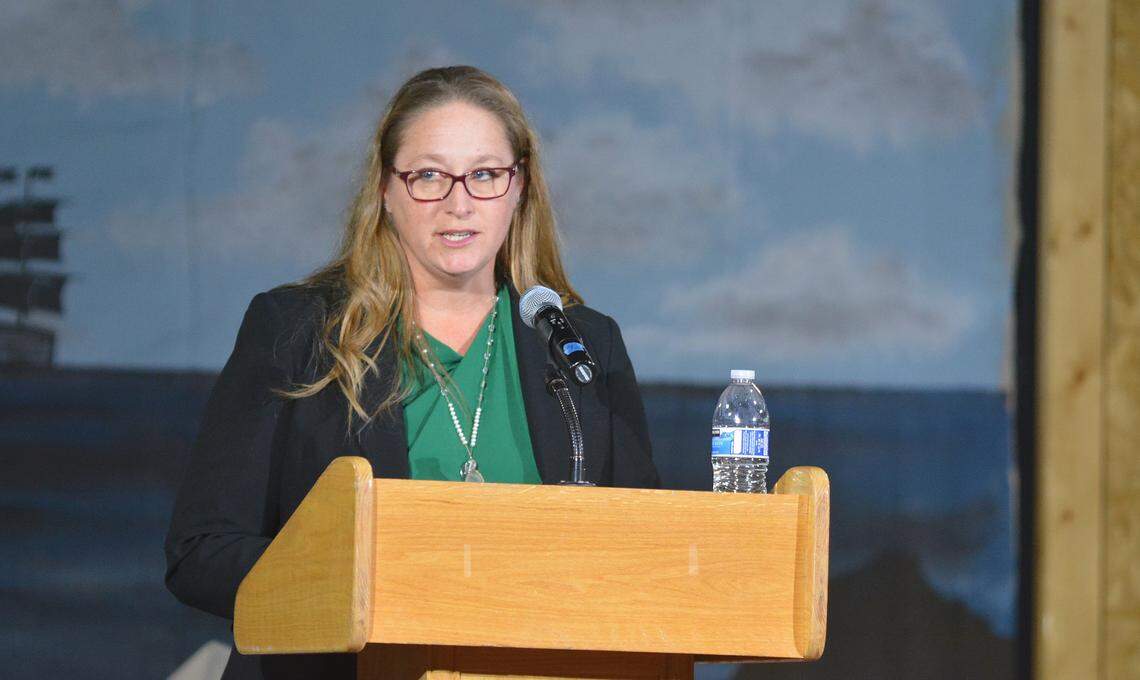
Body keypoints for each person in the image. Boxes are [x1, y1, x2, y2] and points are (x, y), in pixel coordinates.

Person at [164, 65, 659, 679]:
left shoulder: (581, 344)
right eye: (428, 175)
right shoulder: (296, 332)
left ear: (519, 188)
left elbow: (647, 558)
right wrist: (367, 586)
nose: (458, 203)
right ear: (385, 189)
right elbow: (202, 552)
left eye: (484, 174)